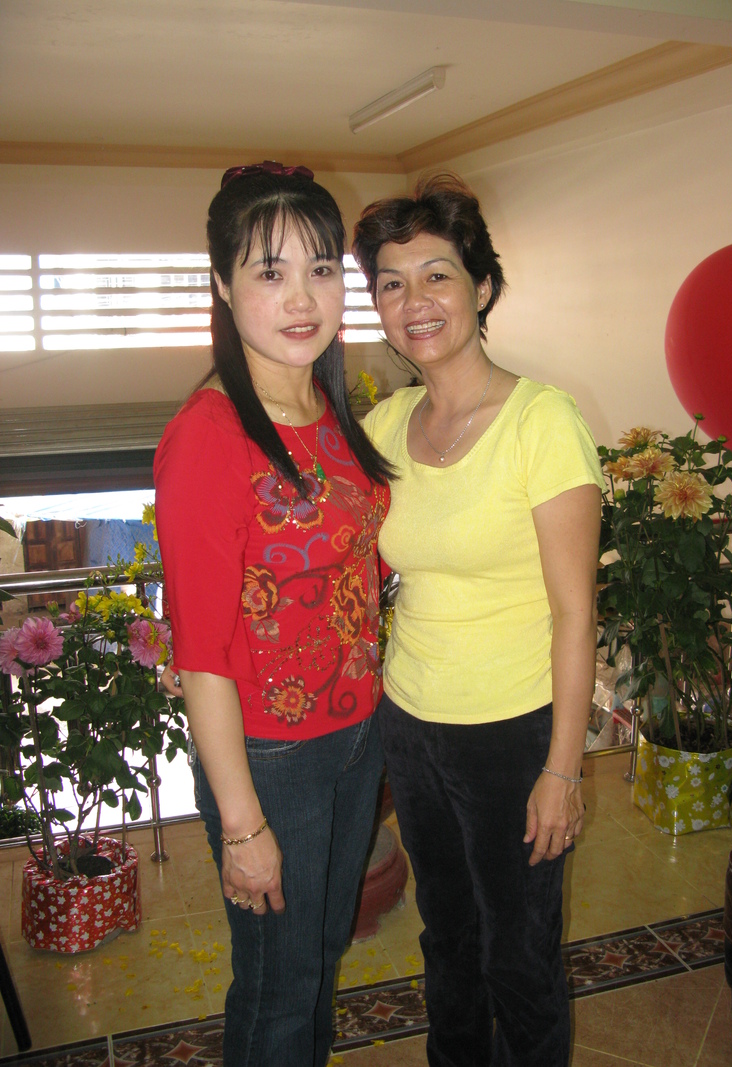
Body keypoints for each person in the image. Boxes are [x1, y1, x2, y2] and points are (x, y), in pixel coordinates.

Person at [352, 174, 603, 1067]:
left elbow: (576, 612)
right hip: (412, 724)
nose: (413, 301)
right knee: (447, 938)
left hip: (513, 730)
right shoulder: (385, 425)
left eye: (437, 275)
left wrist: (562, 769)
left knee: (519, 956)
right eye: (391, 282)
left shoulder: (543, 422)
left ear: (482, 286)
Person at [154, 161, 393, 1067]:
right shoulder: (210, 435)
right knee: (279, 989)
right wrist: (243, 824)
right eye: (269, 271)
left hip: (354, 734)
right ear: (222, 284)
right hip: (271, 757)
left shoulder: (324, 402)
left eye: (321, 269)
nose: (302, 298)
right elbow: (202, 652)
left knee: (320, 957)